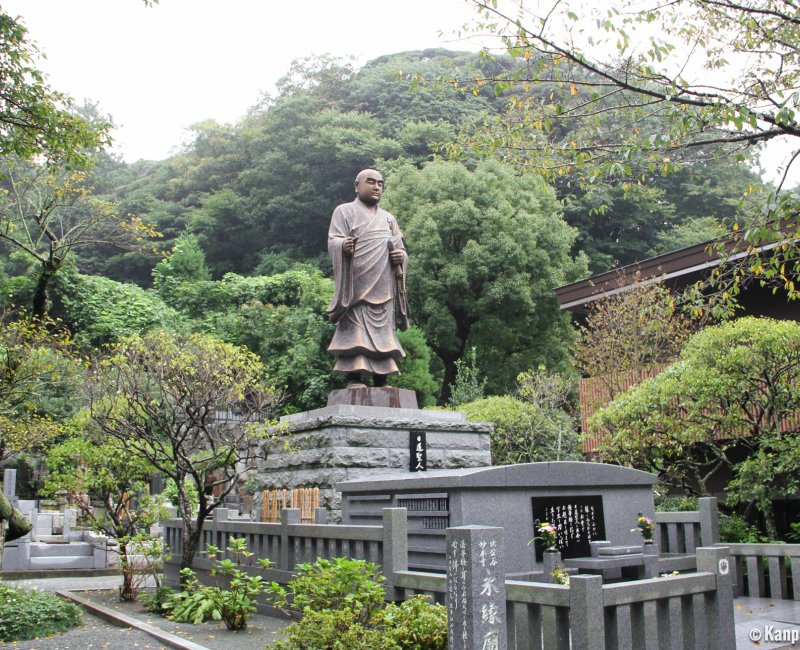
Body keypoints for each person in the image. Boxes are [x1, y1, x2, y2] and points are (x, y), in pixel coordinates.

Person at [326, 168, 409, 387]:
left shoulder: (389, 219)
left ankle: (381, 379)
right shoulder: (344, 212)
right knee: (356, 331)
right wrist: (343, 245)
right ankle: (354, 377)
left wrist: (401, 257)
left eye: (380, 184)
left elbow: (400, 250)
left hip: (383, 284)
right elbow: (333, 240)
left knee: (383, 332)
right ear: (356, 185)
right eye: (370, 182)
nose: (376, 187)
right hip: (356, 285)